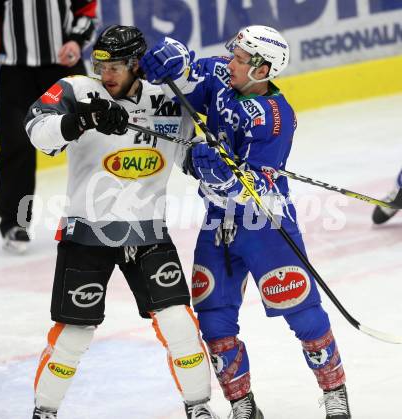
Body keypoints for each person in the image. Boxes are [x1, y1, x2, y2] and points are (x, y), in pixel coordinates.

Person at [140, 26, 352, 418]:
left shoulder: (275, 117)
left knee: (302, 312)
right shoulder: (223, 72)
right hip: (218, 221)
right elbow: (184, 80)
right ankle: (243, 405)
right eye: (234, 55)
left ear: (263, 68)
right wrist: (170, 57)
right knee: (214, 318)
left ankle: (335, 392)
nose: (231, 63)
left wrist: (223, 176)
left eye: (240, 59)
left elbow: (259, 185)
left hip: (264, 225)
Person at [25, 25, 218, 419]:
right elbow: (36, 131)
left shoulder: (167, 98)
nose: (106, 73)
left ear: (136, 64)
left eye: (115, 66)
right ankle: (44, 411)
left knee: (179, 323)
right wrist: (79, 122)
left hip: (148, 232)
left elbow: (185, 156)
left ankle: (198, 408)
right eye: (101, 64)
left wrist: (211, 163)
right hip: (86, 233)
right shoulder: (78, 90)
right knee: (73, 335)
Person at [0, 0, 96, 254]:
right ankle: (15, 224)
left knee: (89, 140)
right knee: (16, 148)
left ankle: (95, 213)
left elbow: (87, 9)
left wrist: (76, 41)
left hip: (64, 66)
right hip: (16, 73)